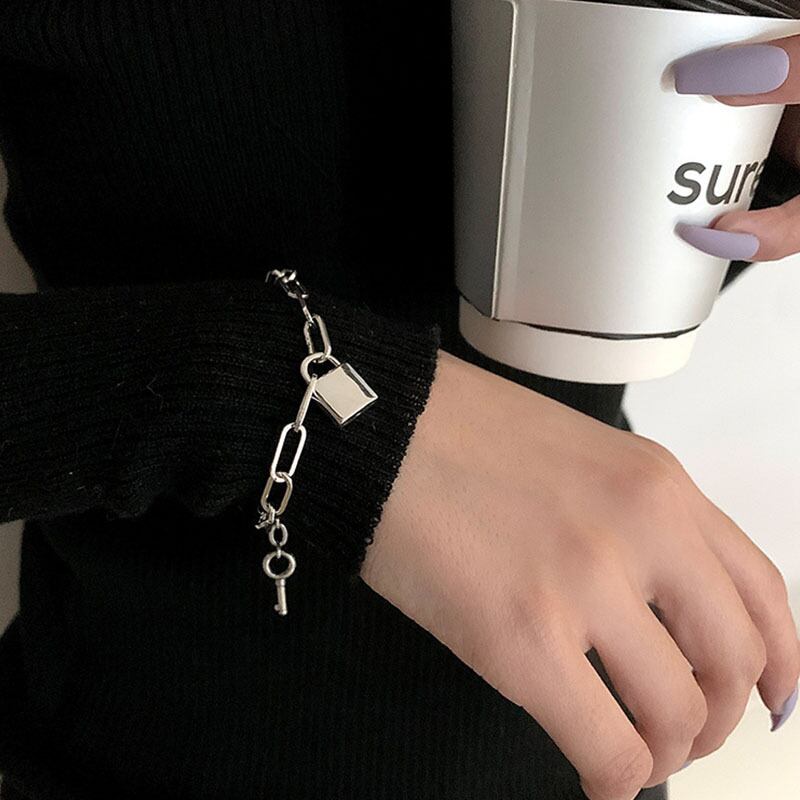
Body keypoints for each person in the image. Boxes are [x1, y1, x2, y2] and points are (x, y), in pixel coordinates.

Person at [0, 2, 798, 799]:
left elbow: (565, 287)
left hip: (586, 717)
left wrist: (761, 159)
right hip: (147, 742)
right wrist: (285, 396)